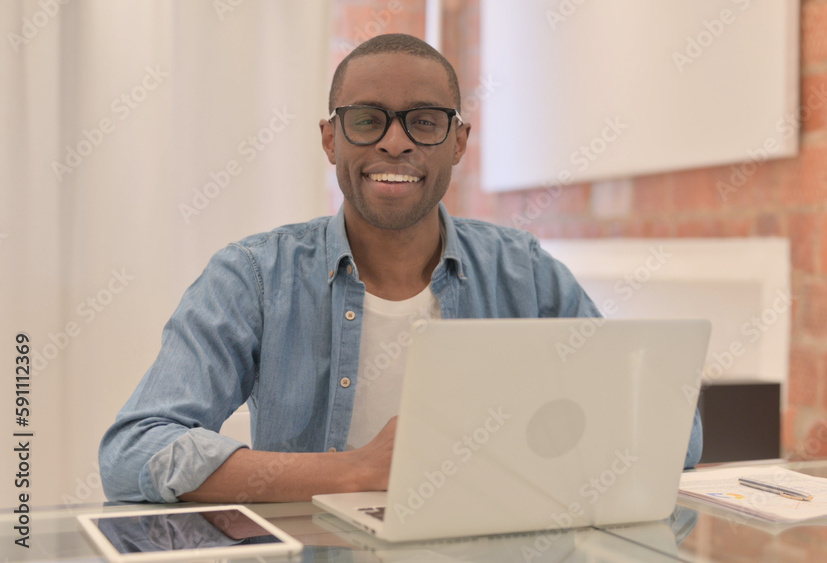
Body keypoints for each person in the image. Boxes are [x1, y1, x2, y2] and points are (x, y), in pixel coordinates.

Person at [99, 33, 702, 503]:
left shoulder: (525, 272)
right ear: (331, 139)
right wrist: (352, 472)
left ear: (459, 142)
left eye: (424, 120)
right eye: (366, 119)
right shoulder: (254, 276)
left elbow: (674, 433)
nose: (394, 143)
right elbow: (133, 452)